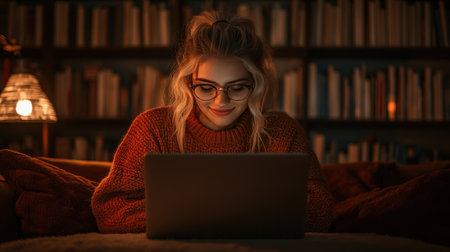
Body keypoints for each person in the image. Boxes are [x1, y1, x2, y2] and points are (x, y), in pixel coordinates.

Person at [91, 11, 333, 233]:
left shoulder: (282, 132)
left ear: (256, 84)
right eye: (206, 88)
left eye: (237, 88)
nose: (221, 100)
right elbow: (110, 209)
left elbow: (319, 210)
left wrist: (194, 216)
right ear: (189, 83)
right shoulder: (153, 127)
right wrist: (221, 216)